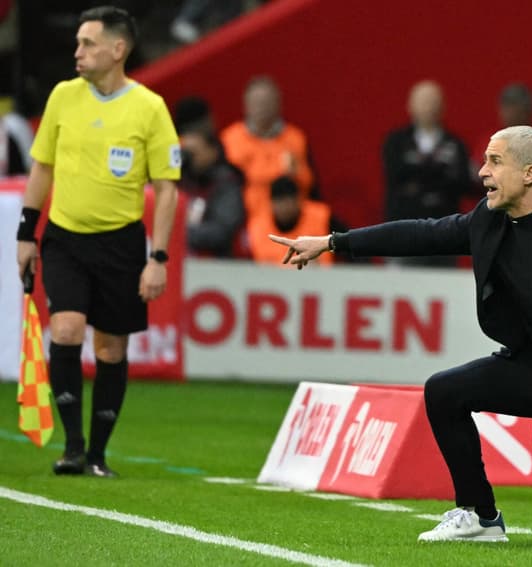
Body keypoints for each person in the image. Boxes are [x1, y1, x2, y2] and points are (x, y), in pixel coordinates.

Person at [268, 126, 532, 551]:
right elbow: (424, 233)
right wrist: (331, 241)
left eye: (495, 161)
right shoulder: (490, 219)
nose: (482, 172)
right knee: (445, 391)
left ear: (529, 173)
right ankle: (479, 516)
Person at [15, 6, 180, 477]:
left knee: (110, 349)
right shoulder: (64, 97)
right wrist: (27, 233)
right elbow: (42, 167)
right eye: (78, 43)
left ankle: (99, 454)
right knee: (65, 330)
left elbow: (167, 187)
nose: (78, 52)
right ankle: (72, 447)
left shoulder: (149, 107)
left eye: (88, 43)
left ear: (117, 49)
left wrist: (159, 257)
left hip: (121, 244)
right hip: (65, 237)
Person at [382, 80, 471, 267]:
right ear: (410, 105)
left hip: (445, 235)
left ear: (443, 106)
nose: (428, 107)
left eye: (433, 101)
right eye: (423, 101)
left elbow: (461, 183)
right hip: (403, 231)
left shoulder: (455, 144)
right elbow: (396, 176)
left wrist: (418, 176)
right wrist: (439, 172)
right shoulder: (396, 142)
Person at [221, 76, 316, 221]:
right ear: (246, 105)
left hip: (292, 221)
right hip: (248, 223)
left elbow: (310, 184)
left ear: (279, 103)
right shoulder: (229, 140)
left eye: (267, 102)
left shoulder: (296, 138)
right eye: (257, 103)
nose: (262, 108)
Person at [179, 127, 245, 257]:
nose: (187, 159)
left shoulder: (226, 183)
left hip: (216, 264)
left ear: (213, 151)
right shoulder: (180, 182)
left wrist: (177, 232)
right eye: (184, 153)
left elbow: (222, 231)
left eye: (193, 153)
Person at [248, 175, 332, 266]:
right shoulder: (257, 227)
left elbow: (345, 243)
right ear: (271, 203)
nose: (285, 208)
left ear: (299, 200)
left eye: (288, 201)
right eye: (280, 202)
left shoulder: (321, 217)